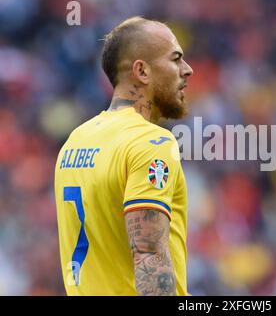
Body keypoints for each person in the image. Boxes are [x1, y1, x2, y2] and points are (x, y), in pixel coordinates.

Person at [54, 16, 194, 296]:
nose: (187, 70)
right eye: (175, 59)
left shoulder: (75, 142)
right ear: (142, 71)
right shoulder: (150, 142)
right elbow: (149, 254)